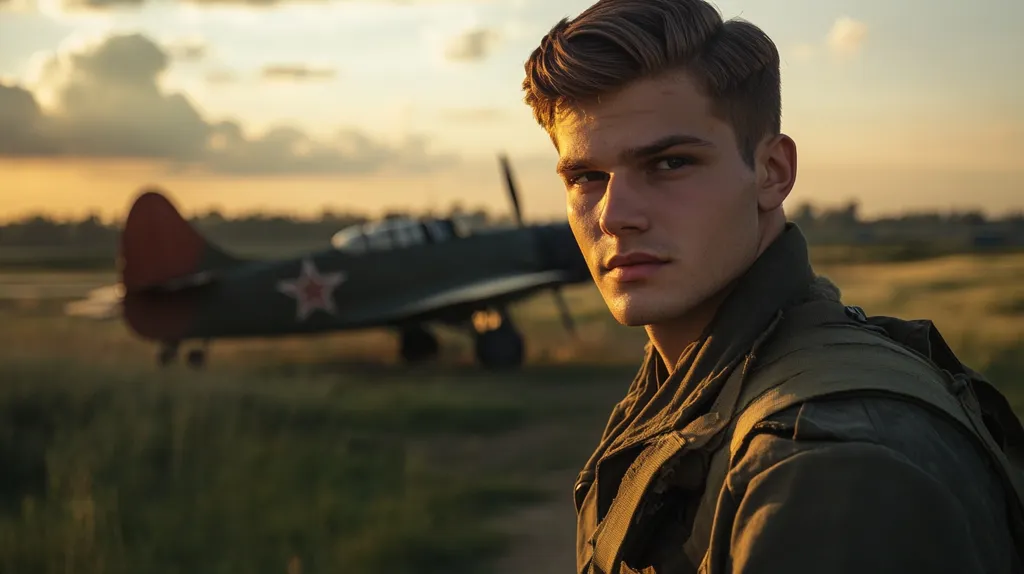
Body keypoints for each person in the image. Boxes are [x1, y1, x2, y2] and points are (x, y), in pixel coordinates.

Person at [519, 1, 1024, 572]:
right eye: (587, 177)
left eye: (669, 163)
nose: (614, 216)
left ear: (773, 173)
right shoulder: (692, 377)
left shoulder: (827, 468)